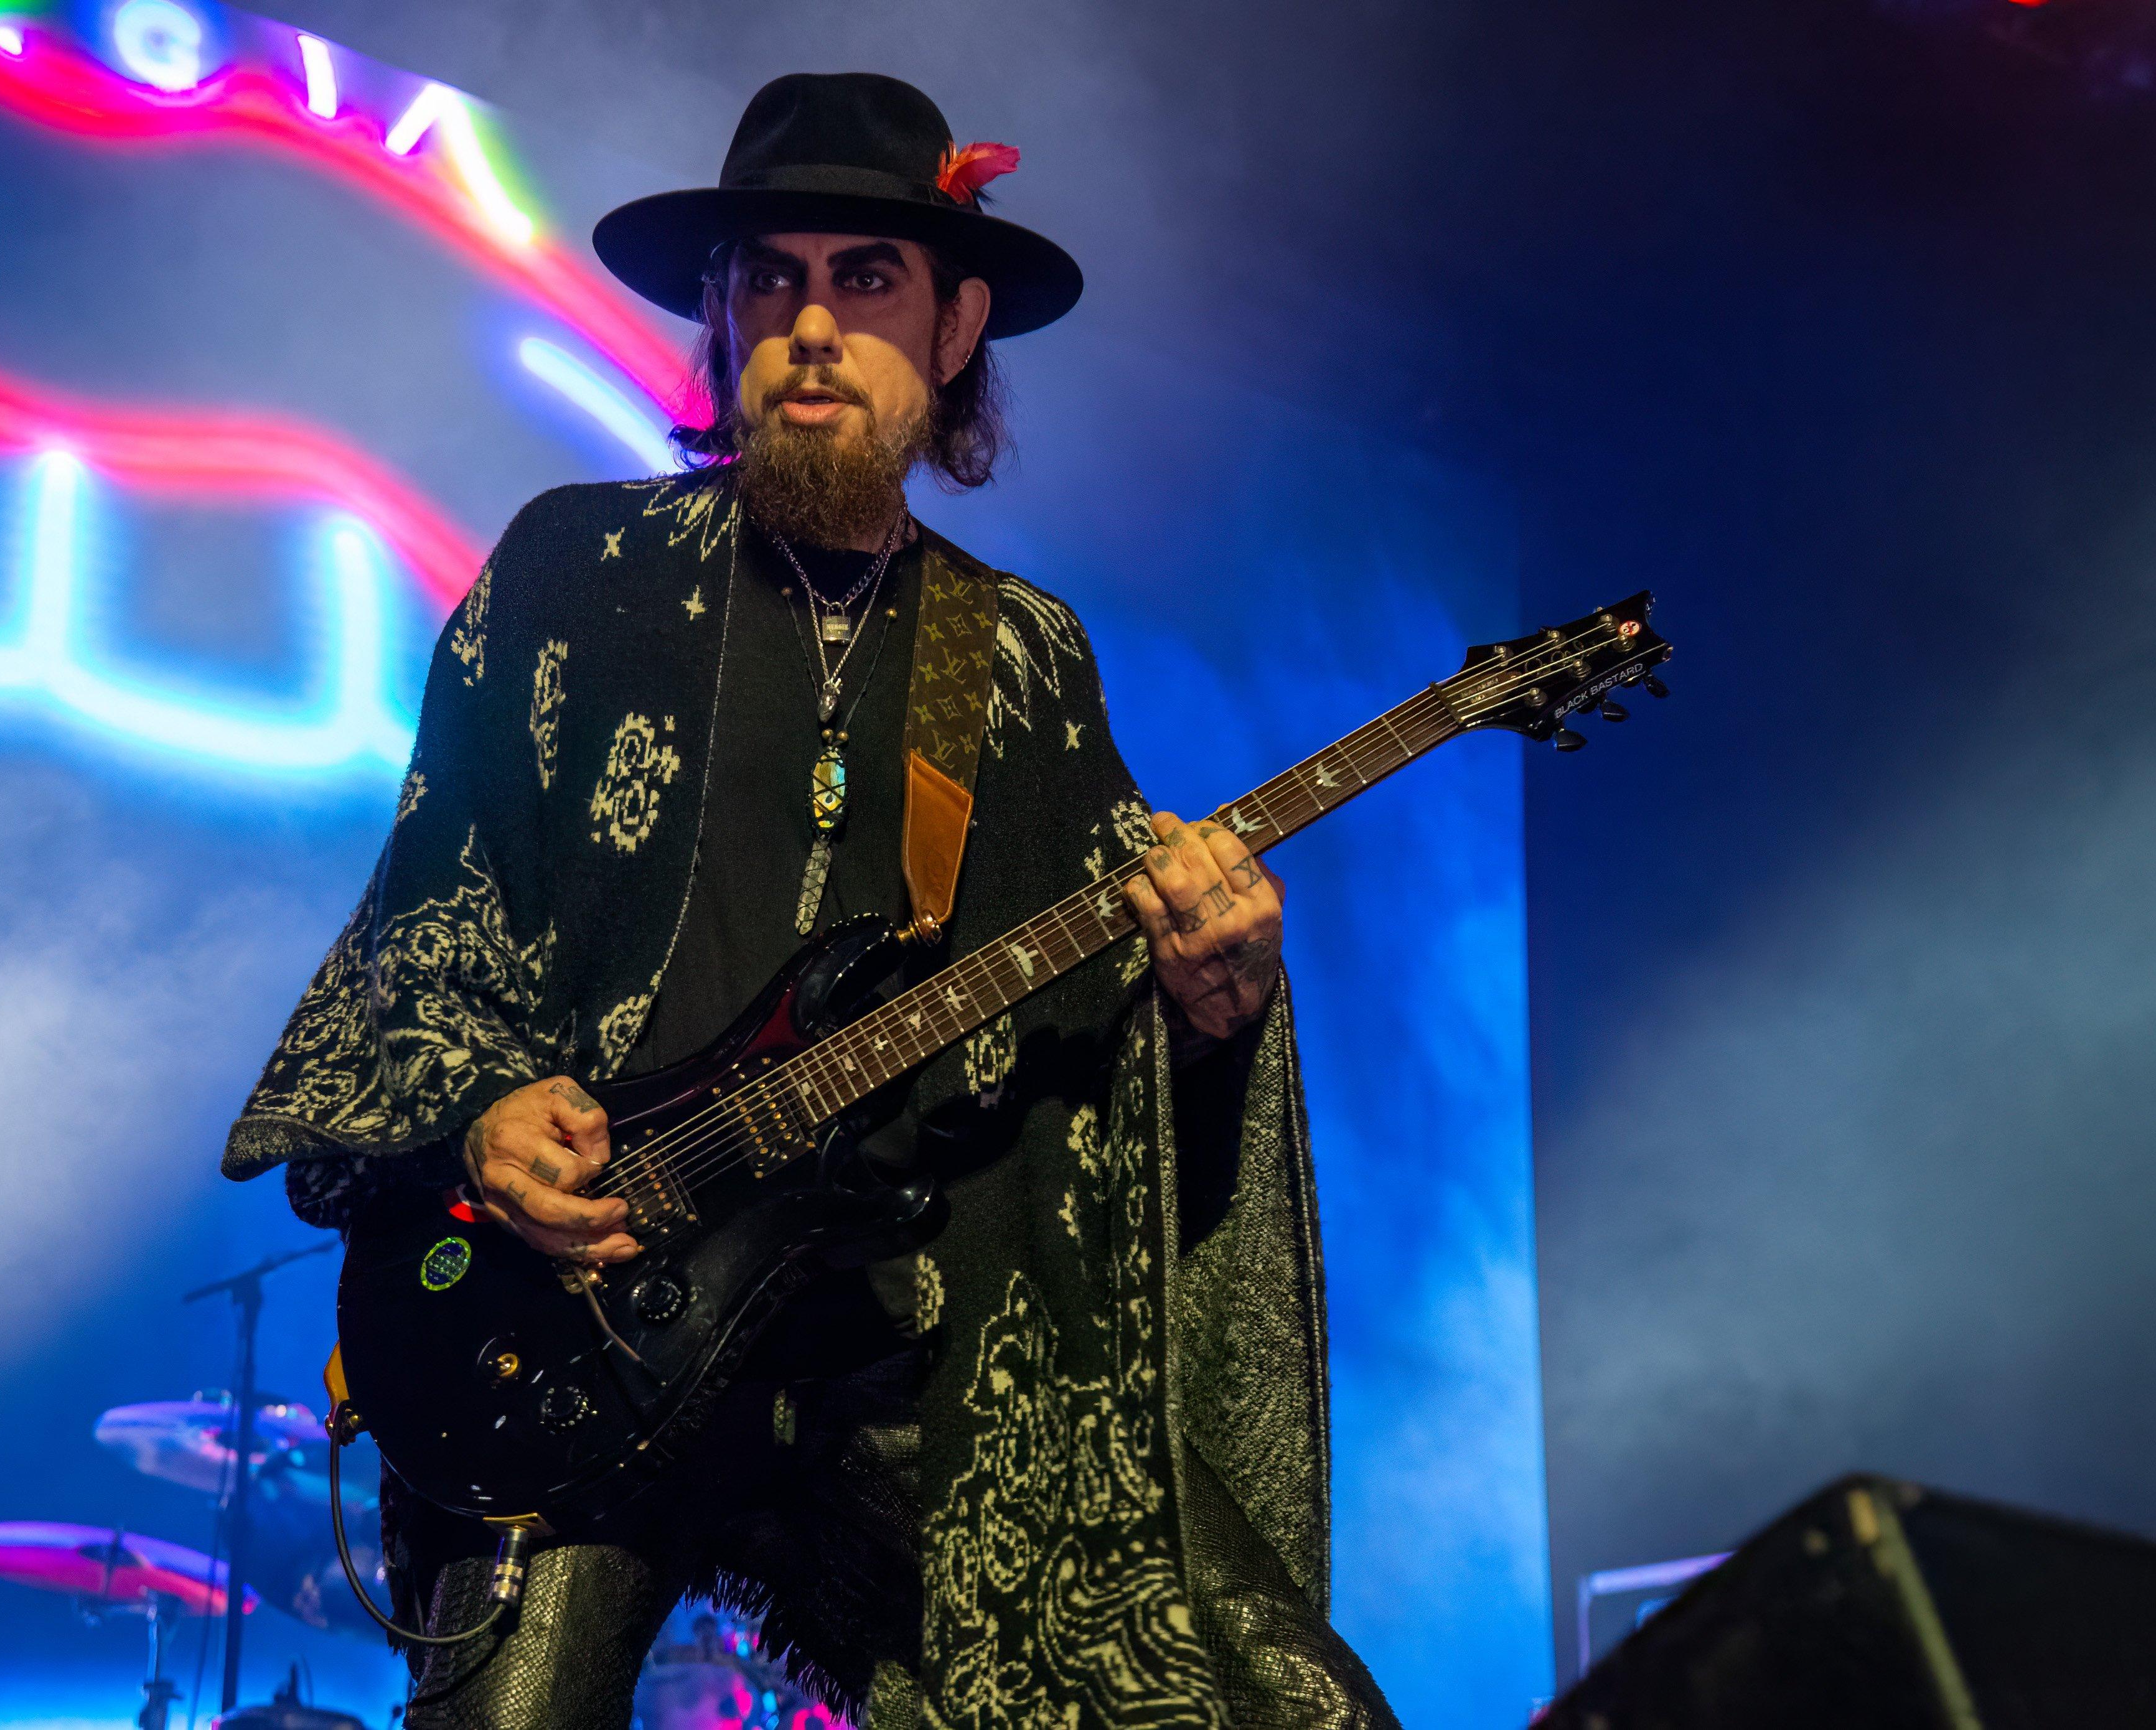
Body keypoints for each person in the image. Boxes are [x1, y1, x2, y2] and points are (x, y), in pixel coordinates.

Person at [227, 72, 1396, 1730]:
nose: (811, 323)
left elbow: (1092, 1044)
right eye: (768, 277)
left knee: (1274, 1703)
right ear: (721, 313)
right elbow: (437, 898)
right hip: (581, 1320)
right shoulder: (576, 570)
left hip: (905, 1351)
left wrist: (1212, 1006)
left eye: (867, 279)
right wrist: (485, 1112)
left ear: (954, 322)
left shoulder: (1021, 655)